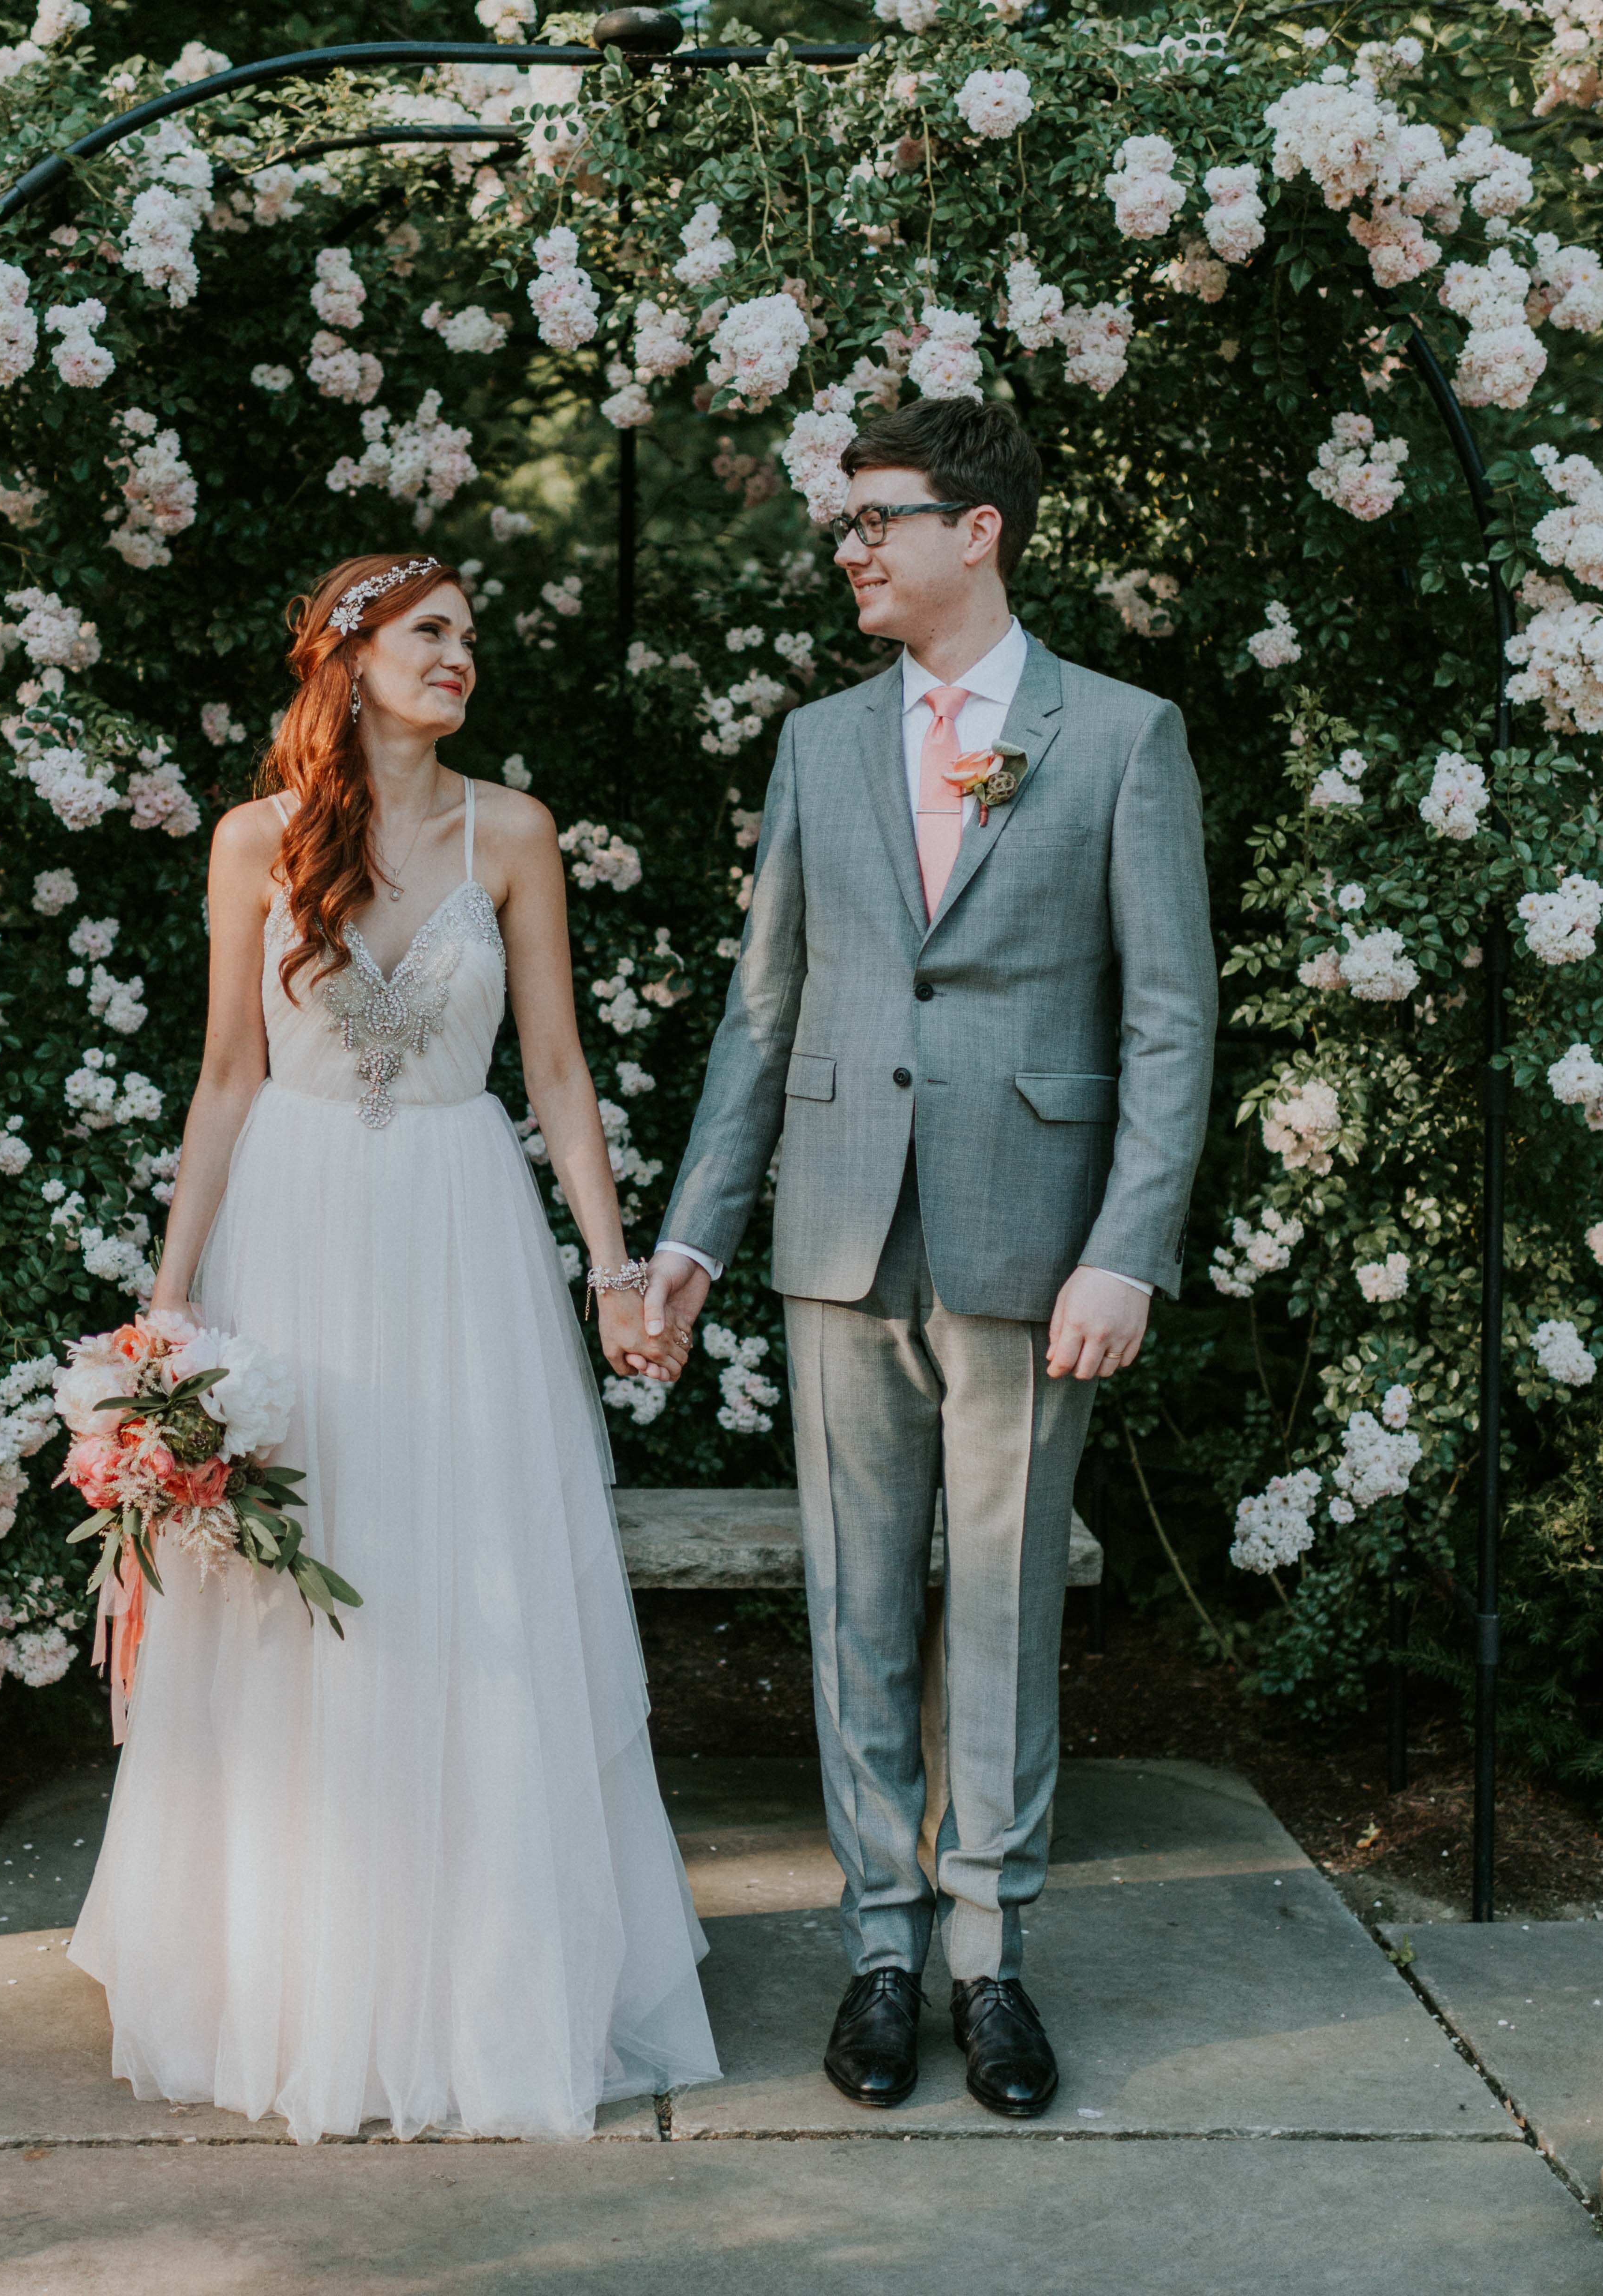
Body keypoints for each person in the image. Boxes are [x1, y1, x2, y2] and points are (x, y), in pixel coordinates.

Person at [67, 551, 721, 2144]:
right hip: (293, 1237)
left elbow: (559, 1071)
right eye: (432, 635)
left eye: (471, 641)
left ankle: (480, 1982)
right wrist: (166, 1320)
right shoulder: (249, 844)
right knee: (301, 1591)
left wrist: (612, 1270)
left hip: (458, 1231)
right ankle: (298, 1982)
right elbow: (224, 1080)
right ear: (349, 659)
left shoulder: (514, 834)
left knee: (462, 1575)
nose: (461, 660)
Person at [645, 396, 1220, 2119]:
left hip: (1034, 1249)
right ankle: (880, 1953)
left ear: (977, 529)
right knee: (855, 1612)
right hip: (835, 1228)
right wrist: (693, 1233)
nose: (852, 547)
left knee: (1009, 1607)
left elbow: (1174, 1020)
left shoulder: (1120, 736)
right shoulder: (821, 745)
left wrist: (1127, 1247)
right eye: (847, 523)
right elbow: (764, 1014)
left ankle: (994, 1964)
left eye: (879, 518)